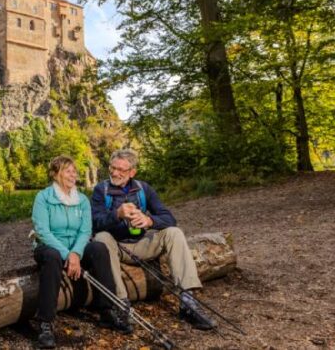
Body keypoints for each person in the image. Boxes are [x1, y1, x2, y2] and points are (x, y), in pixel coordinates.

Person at [90, 149, 217, 330]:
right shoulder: (100, 190)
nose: (115, 173)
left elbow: (169, 218)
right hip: (116, 247)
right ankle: (120, 305)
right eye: (112, 168)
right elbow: (94, 223)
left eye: (121, 170)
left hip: (143, 244)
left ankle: (188, 303)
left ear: (133, 172)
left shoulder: (143, 189)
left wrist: (149, 220)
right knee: (101, 238)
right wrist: (116, 214)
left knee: (174, 232)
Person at [31, 155, 132, 349]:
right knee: (51, 256)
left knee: (99, 248)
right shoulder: (43, 197)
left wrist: (76, 253)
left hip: (75, 248)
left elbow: (86, 230)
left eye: (74, 170)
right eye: (67, 170)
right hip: (49, 247)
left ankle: (107, 311)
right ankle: (46, 323)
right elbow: (42, 232)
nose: (73, 174)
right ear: (56, 173)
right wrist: (67, 254)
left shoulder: (82, 200)